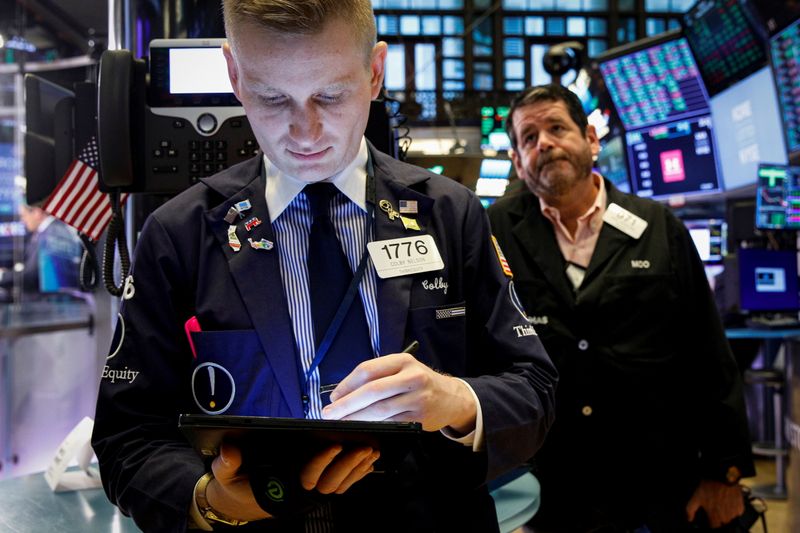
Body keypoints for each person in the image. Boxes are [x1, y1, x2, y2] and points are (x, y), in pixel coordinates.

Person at [91, 2, 558, 532]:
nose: (305, 131)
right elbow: (126, 433)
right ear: (235, 76)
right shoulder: (179, 235)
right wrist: (210, 501)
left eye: (330, 96)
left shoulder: (450, 214)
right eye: (272, 98)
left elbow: (534, 389)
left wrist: (456, 401)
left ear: (375, 73)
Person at [487, 84, 755, 533]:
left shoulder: (658, 226)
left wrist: (723, 470)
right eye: (528, 138)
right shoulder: (494, 230)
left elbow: (708, 352)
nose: (544, 144)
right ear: (517, 162)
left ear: (591, 139)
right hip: (547, 487)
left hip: (658, 478)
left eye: (557, 128)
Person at [0, 203, 82, 301]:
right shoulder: (44, 232)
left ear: (37, 213)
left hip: (52, 304)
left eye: (24, 216)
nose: (23, 221)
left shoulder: (54, 232)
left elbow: (35, 274)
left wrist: (3, 276)